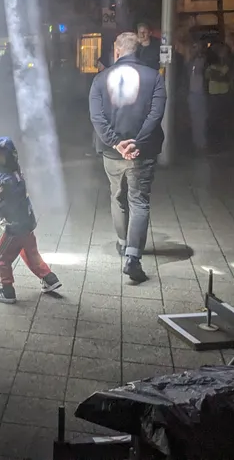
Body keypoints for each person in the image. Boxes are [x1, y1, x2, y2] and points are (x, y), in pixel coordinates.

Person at [89, 31, 166, 284]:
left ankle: (123, 243)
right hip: (142, 152)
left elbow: (97, 117)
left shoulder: (100, 79)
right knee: (139, 201)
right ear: (138, 50)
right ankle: (133, 256)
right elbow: (155, 115)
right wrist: (137, 142)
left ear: (117, 50)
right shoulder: (154, 77)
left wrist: (115, 142)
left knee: (117, 195)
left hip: (112, 153)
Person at [0, 137, 62, 304]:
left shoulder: (9, 182)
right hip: (27, 224)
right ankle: (49, 278)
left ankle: (7, 291)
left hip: (15, 228)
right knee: (30, 253)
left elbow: (2, 205)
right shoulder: (12, 172)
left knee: (1, 256)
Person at [205, 42, 234, 151]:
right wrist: (220, 75)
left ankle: (222, 142)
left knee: (223, 118)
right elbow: (209, 76)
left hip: (224, 93)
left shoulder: (230, 63)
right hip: (214, 93)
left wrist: (218, 75)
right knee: (214, 118)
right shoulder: (211, 62)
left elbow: (228, 77)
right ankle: (215, 142)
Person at [186, 41, 209, 153]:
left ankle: (200, 144)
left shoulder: (205, 61)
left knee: (200, 119)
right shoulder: (190, 62)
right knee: (196, 119)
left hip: (200, 93)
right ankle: (197, 143)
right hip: (193, 93)